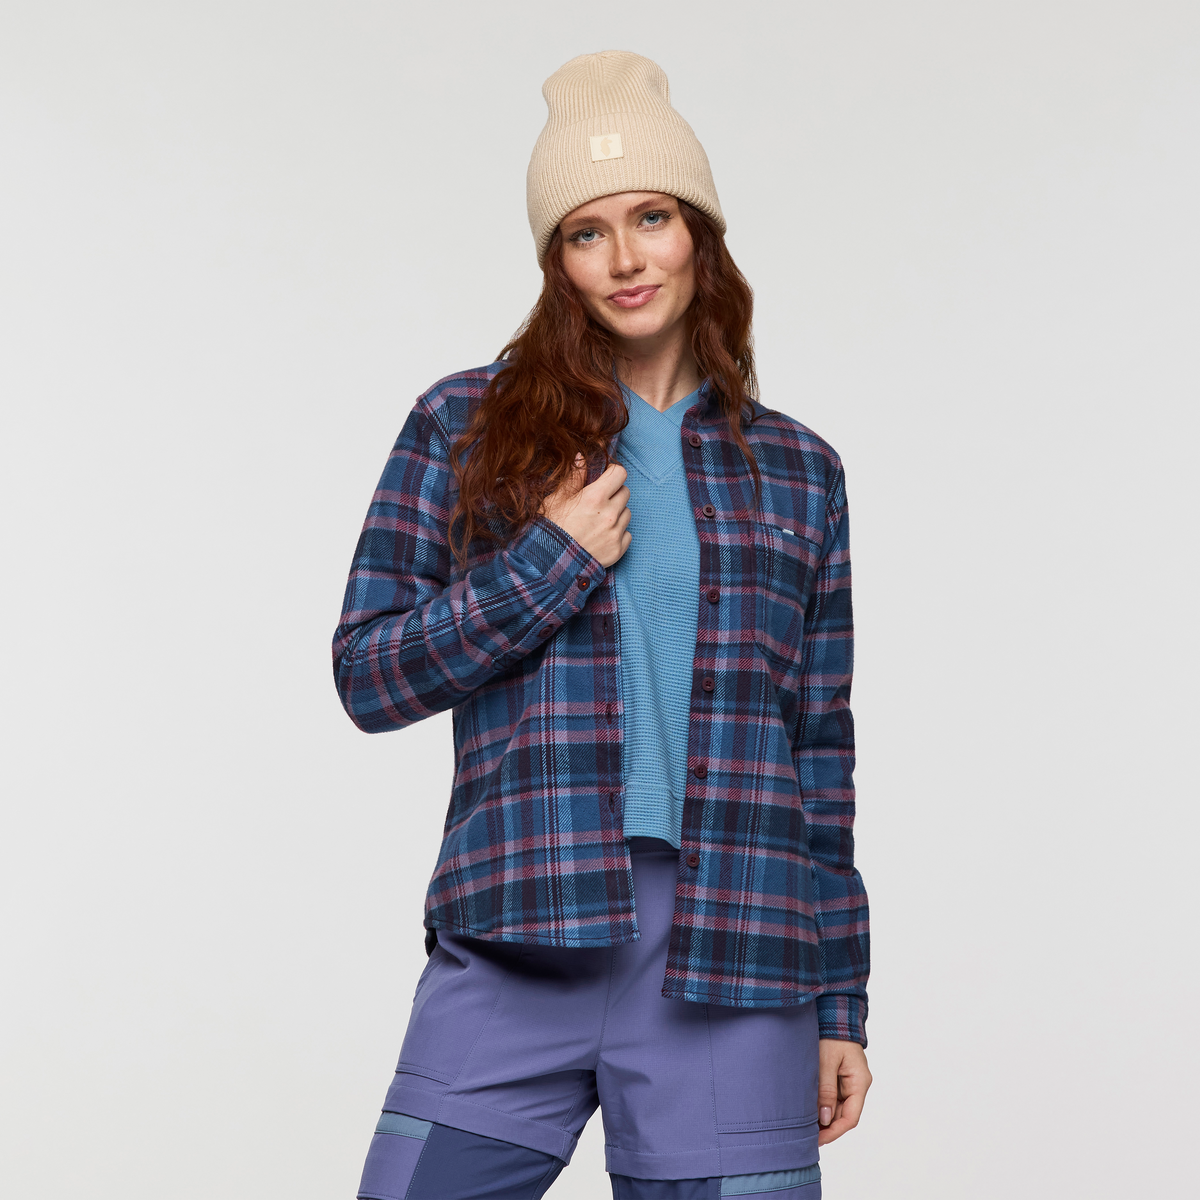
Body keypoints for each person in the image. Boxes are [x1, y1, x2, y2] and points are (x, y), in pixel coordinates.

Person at [333, 50, 871, 1200]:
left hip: (733, 957)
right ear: (557, 262)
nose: (625, 259)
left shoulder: (798, 470)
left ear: (700, 234)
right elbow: (369, 675)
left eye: (651, 217)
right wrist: (550, 562)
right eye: (587, 232)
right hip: (521, 930)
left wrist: (841, 1004)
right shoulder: (465, 426)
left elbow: (819, 751)